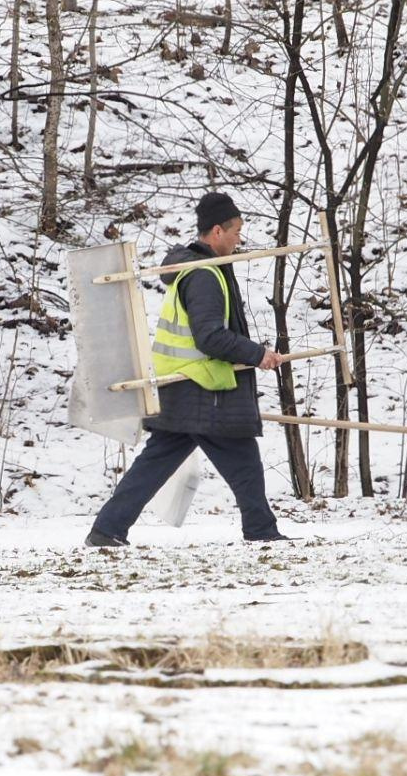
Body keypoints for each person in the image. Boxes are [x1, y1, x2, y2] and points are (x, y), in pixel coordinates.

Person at [86, 192, 290, 547]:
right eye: (236, 231)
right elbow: (210, 336)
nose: (240, 239)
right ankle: (261, 531)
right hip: (202, 387)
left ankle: (107, 530)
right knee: (242, 460)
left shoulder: (198, 269)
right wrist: (257, 354)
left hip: (185, 387)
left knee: (156, 463)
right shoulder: (204, 275)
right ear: (216, 231)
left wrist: (254, 354)